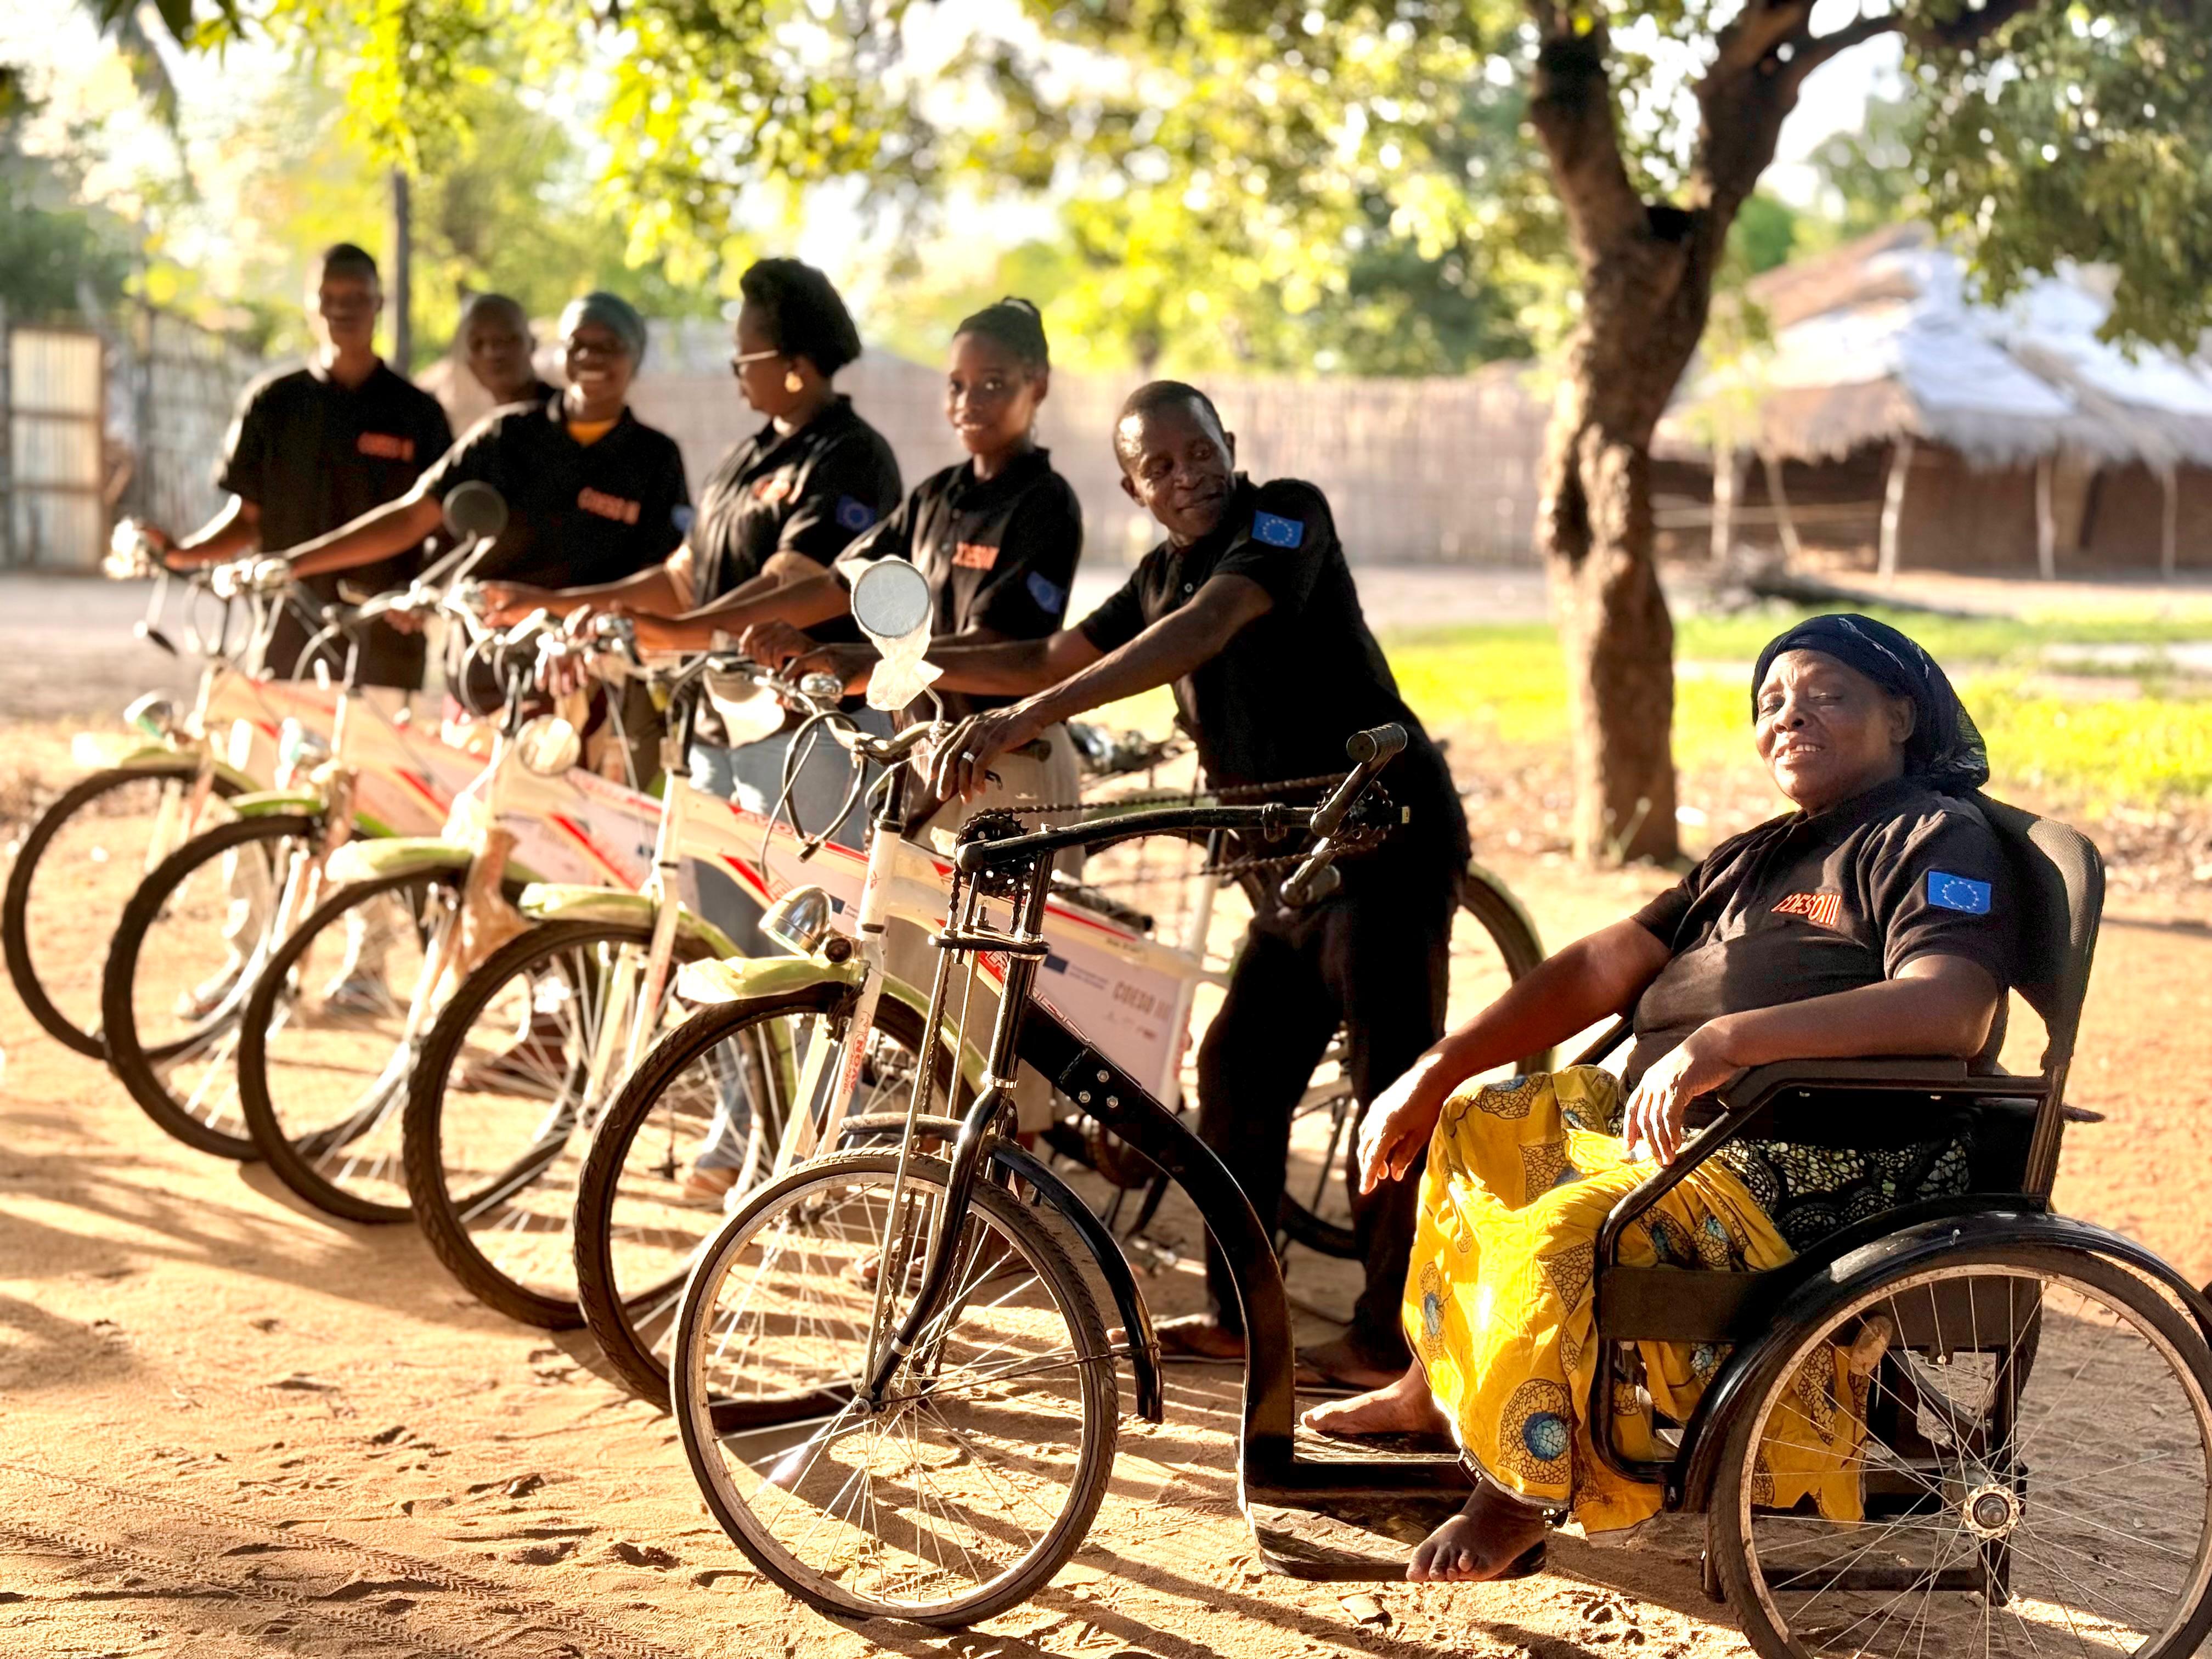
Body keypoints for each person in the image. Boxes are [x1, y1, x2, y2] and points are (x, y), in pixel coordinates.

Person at [1302, 614, 2016, 1583]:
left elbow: (1953, 1006)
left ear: (1901, 714)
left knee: (1561, 1232)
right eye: (1769, 701)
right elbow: (1604, 961)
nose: (1787, 715)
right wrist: (1435, 1068)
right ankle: (1432, 1384)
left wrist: (1726, 1040)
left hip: (1812, 1152)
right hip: (1687, 1125)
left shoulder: (1933, 832)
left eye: (1825, 694)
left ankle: (1523, 1482)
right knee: (1478, 1124)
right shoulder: (1756, 852)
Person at [912, 380, 1469, 1391]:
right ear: (1135, 488)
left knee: (1393, 1094)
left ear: (1230, 444)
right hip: (1288, 869)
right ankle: (1237, 1311)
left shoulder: (1283, 515)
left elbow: (1210, 624)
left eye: (1199, 449)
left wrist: (1027, 711)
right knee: (1238, 1078)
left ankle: (1391, 1340)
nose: (1188, 473)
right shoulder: (1160, 570)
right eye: (1159, 465)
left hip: (1381, 839)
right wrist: (891, 656)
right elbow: (1047, 649)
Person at [478, 258, 901, 857]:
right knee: (714, 931)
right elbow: (682, 577)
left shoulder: (851, 457)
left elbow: (792, 585)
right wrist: (556, 604)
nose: (734, 373)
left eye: (743, 357)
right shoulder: (745, 457)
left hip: (804, 733)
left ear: (797, 368)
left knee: (793, 932)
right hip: (717, 725)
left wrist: (674, 635)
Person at [638, 295, 1084, 842]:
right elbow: (832, 583)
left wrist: (867, 662)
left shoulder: (1044, 503)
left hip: (1010, 763)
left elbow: (1008, 652)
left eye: (993, 384)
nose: (969, 401)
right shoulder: (936, 497)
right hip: (930, 755)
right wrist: (726, 630)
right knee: (891, 927)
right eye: (956, 385)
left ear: (1037, 383)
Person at [261, 291, 691, 783]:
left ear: (634, 358)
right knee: (468, 830)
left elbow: (669, 585)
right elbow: (409, 517)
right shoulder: (506, 435)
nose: (591, 358)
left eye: (609, 346)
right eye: (579, 345)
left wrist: (551, 606)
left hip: (586, 699)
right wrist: (292, 562)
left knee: (569, 850)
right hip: (482, 682)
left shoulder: (654, 460)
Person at [145, 242, 453, 688]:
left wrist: (421, 597)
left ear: (379, 303)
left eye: (357, 298)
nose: (342, 310)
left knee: (373, 759)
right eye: (330, 298)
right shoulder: (273, 404)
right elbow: (247, 521)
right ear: (312, 304)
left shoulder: (419, 414)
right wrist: (178, 552)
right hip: (286, 637)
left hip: (384, 645)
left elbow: (439, 532)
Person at [457, 292, 557, 409]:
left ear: (532, 344)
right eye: (477, 344)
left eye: (505, 340)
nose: (492, 354)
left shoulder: (569, 414)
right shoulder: (481, 424)